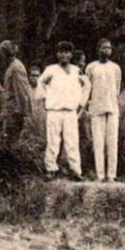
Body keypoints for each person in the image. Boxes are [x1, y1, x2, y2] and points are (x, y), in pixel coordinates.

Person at [38, 42, 86, 180]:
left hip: (70, 111)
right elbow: (41, 82)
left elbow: (85, 86)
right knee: (53, 140)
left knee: (72, 141)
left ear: (71, 55)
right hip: (54, 110)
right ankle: (51, 169)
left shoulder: (76, 70)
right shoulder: (51, 70)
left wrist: (80, 104)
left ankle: (75, 170)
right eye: (61, 52)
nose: (64, 55)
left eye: (67, 52)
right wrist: (45, 100)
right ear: (57, 54)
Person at [86, 39, 123, 183]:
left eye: (109, 48)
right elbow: (87, 88)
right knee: (98, 143)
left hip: (112, 108)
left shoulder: (115, 68)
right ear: (98, 50)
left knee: (112, 143)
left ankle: (111, 175)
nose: (106, 50)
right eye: (103, 48)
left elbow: (117, 88)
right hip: (96, 108)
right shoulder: (91, 67)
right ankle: (100, 175)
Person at [0, 40, 33, 146]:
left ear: (5, 53)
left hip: (14, 113)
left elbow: (21, 92)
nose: (0, 56)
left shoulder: (16, 68)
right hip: (9, 111)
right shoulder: (11, 66)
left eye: (1, 53)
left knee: (12, 143)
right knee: (6, 142)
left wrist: (22, 114)